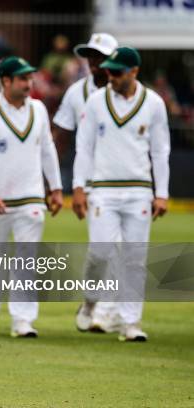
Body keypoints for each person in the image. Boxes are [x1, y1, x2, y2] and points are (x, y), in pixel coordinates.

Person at [72, 47, 170, 342]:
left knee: (134, 258)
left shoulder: (153, 103)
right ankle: (91, 300)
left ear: (134, 72)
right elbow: (84, 147)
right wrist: (78, 186)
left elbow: (160, 150)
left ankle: (131, 322)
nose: (110, 76)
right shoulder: (96, 101)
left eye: (117, 72)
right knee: (100, 252)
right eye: (109, 71)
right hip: (103, 189)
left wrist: (161, 193)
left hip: (139, 190)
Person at [0, 56, 63, 337]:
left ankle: (23, 320)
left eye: (30, 78)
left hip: (31, 197)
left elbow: (48, 150)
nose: (29, 83)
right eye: (23, 78)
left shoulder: (38, 109)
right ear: (6, 81)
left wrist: (57, 188)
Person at [52, 33, 120, 333]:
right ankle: (92, 300)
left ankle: (107, 312)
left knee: (119, 247)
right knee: (101, 250)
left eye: (101, 57)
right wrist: (53, 182)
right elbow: (62, 137)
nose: (95, 62)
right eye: (91, 56)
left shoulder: (131, 94)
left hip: (123, 181)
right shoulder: (76, 93)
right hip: (90, 181)